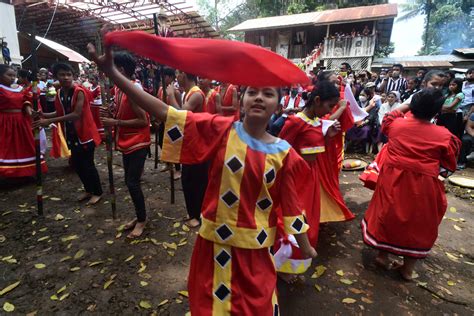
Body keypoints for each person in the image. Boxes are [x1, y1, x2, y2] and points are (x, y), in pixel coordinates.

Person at [88, 40, 316, 316]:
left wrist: (306, 248)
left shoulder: (285, 155)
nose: (258, 97)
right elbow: (164, 113)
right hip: (214, 249)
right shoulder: (220, 130)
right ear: (240, 101)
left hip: (256, 256)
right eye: (252, 92)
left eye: (267, 94)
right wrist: (114, 74)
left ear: (278, 106)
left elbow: (293, 210)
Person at [361, 88, 460, 280]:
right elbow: (447, 167)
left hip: (392, 180)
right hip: (424, 185)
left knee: (388, 214)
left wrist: (409, 103)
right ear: (437, 111)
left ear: (412, 106)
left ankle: (382, 256)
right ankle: (407, 269)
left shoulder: (396, 125)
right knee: (419, 222)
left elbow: (389, 117)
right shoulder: (445, 136)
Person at [273, 81, 347, 282]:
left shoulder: (317, 122)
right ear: (316, 100)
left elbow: (314, 148)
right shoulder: (295, 122)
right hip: (294, 179)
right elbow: (280, 149)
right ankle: (282, 266)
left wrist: (328, 137)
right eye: (329, 105)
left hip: (311, 178)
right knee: (289, 221)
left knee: (307, 222)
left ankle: (292, 265)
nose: (331, 110)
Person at [34, 62, 103, 205]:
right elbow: (60, 112)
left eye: (68, 74)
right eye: (62, 75)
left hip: (85, 134)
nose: (66, 77)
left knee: (88, 164)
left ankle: (97, 192)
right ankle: (88, 189)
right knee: (77, 164)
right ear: (56, 77)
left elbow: (76, 114)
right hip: (71, 134)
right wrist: (44, 114)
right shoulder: (59, 93)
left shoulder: (80, 91)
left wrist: (50, 120)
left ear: (73, 76)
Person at [101, 52, 151, 238]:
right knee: (130, 182)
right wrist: (110, 114)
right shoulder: (119, 89)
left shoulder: (132, 90)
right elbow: (122, 113)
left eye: (112, 69)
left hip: (138, 142)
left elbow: (143, 121)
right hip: (127, 142)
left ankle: (142, 219)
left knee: (132, 182)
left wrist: (115, 123)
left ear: (120, 70)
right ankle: (139, 216)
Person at [169, 70, 208, 228]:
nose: (176, 77)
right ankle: (192, 212)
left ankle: (198, 215)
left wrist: (171, 96)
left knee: (196, 182)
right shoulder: (187, 93)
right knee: (187, 180)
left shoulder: (197, 94)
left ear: (184, 75)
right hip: (190, 143)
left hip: (198, 144)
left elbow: (181, 115)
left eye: (178, 73)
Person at [0, 64, 47, 177]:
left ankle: (27, 171)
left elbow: (26, 102)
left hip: (22, 121)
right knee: (6, 147)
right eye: (9, 75)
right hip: (5, 122)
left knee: (25, 145)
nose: (12, 77)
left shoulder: (20, 89)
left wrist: (30, 112)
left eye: (14, 75)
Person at [156, 66, 182, 178]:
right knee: (161, 142)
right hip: (163, 121)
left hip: (173, 121)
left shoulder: (175, 92)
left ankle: (177, 169)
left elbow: (180, 108)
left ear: (171, 77)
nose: (164, 78)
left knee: (174, 145)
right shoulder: (161, 89)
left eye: (165, 76)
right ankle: (168, 163)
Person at [88, 74, 105, 139]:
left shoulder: (99, 88)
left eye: (93, 79)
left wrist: (92, 99)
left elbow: (99, 96)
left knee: (98, 119)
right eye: (90, 79)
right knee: (93, 119)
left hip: (98, 105)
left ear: (96, 80)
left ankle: (102, 135)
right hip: (92, 106)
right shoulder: (89, 88)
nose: (91, 81)